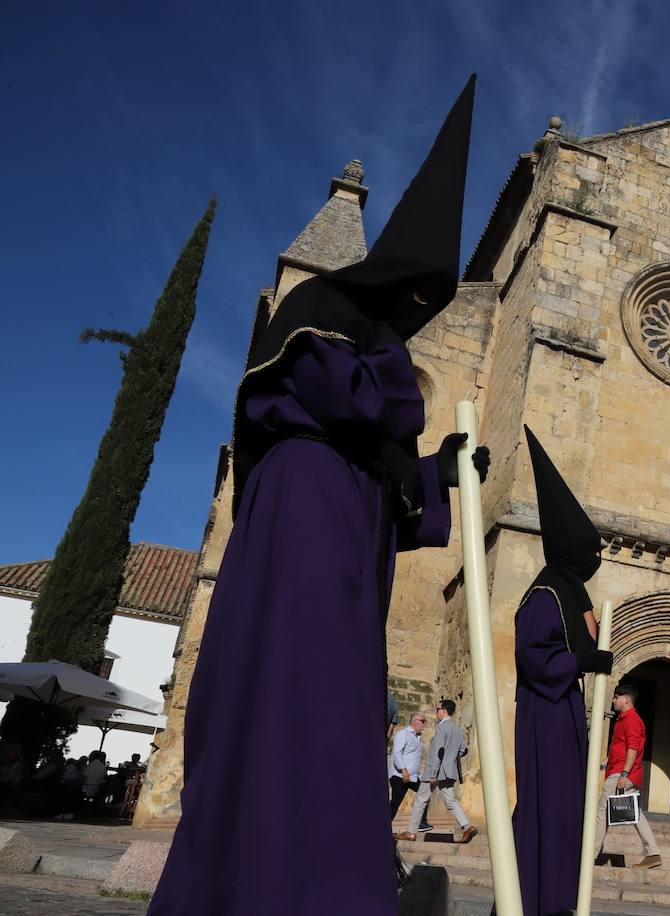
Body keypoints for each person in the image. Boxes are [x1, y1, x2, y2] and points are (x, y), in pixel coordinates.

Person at [147, 77, 488, 916]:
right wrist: (408, 405)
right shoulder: (322, 304)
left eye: (433, 305)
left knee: (332, 725)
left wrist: (440, 474)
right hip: (300, 526)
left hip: (345, 545)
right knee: (289, 708)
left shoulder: (370, 350)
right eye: (417, 294)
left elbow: (392, 497)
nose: (417, 314)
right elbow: (353, 402)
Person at [511, 426, 614, 916]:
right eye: (590, 553)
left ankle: (558, 901)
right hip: (548, 713)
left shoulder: (569, 590)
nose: (596, 561)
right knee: (548, 809)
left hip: (565, 710)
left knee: (566, 811)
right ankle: (539, 902)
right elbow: (535, 656)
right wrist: (584, 661)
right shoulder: (547, 592)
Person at [592, 683, 661, 868]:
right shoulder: (623, 719)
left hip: (620, 775)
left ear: (627, 699)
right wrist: (604, 762)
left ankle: (590, 853)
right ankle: (653, 853)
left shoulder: (631, 719)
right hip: (620, 771)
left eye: (616, 697)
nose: (613, 700)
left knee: (602, 812)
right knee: (635, 813)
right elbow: (620, 749)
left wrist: (624, 774)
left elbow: (633, 748)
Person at [400, 700, 473, 842]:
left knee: (420, 800)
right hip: (448, 771)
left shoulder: (441, 728)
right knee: (451, 800)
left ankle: (411, 832)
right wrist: (450, 759)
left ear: (444, 711)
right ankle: (467, 826)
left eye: (438, 709)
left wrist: (434, 773)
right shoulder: (457, 729)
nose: (436, 712)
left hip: (435, 771)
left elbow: (438, 751)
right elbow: (463, 750)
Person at [388, 712, 426, 820]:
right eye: (423, 721)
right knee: (395, 803)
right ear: (415, 722)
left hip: (412, 777)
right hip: (400, 776)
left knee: (424, 794)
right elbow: (397, 753)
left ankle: (422, 823)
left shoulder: (417, 737)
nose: (424, 725)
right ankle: (382, 827)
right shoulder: (403, 734)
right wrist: (403, 770)